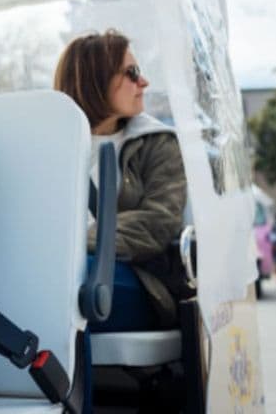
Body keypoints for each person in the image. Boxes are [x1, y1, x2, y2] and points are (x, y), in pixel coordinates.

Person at [55, 30, 187, 411]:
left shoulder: (158, 143)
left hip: (140, 282)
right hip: (71, 273)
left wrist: (76, 245)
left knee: (65, 280)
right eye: (131, 72)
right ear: (94, 79)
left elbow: (158, 222)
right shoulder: (52, 144)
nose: (142, 81)